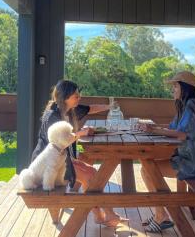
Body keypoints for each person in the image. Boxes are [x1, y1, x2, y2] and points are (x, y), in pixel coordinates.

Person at [31, 80, 127, 227]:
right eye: (76, 95)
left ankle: (103, 216)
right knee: (90, 177)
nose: (79, 97)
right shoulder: (52, 116)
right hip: (48, 166)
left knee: (93, 172)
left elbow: (90, 108)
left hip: (60, 159)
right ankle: (107, 215)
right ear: (65, 97)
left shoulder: (70, 109)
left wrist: (109, 106)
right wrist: (81, 133)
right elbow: (59, 142)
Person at [139, 71, 195, 233]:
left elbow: (181, 134)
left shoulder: (192, 105)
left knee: (148, 170)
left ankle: (161, 215)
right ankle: (160, 213)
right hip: (187, 160)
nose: (172, 89)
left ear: (184, 88)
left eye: (175, 86)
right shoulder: (186, 106)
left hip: (194, 165)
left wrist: (154, 131)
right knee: (147, 168)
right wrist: (153, 128)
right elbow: (173, 128)